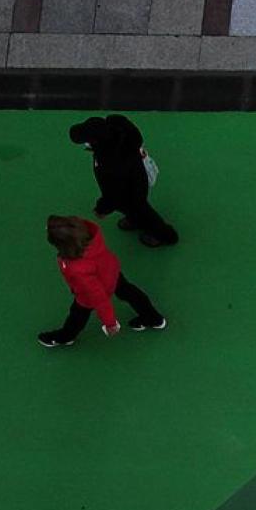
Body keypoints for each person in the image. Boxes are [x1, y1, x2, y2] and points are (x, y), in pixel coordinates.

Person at [38, 215, 167, 347]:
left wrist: (110, 323)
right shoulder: (92, 238)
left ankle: (66, 337)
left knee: (77, 315)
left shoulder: (77, 269)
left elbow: (99, 298)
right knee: (129, 292)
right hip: (111, 271)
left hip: (88, 293)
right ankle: (154, 318)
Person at [69, 115, 177, 247]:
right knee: (136, 209)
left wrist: (102, 209)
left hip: (129, 194)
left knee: (142, 212)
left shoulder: (109, 163)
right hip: (137, 179)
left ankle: (163, 235)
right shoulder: (122, 135)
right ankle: (134, 220)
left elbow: (112, 192)